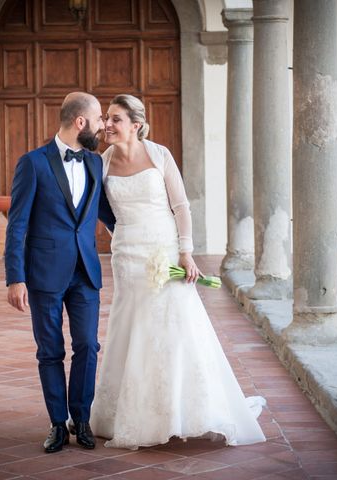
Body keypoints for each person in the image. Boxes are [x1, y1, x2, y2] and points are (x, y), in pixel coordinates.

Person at [90, 94, 266, 450]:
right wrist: (120, 237)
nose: (107, 124)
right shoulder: (102, 163)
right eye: (106, 118)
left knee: (176, 324)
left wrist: (186, 252)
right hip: (127, 254)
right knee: (131, 325)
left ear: (135, 125)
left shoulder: (159, 155)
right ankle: (131, 411)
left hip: (165, 248)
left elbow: (181, 206)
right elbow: (104, 212)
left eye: (115, 118)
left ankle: (185, 409)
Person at [4, 92, 115, 453]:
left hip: (85, 271)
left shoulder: (96, 163)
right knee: (49, 351)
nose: (103, 126)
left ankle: (80, 418)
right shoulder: (33, 163)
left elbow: (105, 214)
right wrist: (15, 277)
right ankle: (56, 423)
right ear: (80, 122)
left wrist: (147, 232)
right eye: (99, 119)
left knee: (87, 345)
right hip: (44, 274)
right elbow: (17, 224)